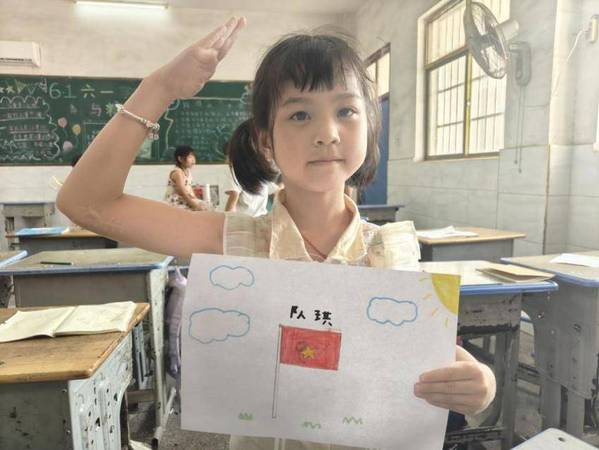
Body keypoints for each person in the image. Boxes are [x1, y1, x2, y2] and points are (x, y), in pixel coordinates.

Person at [57, 17, 496, 450]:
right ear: (265, 141)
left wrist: (481, 384)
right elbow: (86, 202)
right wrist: (160, 87)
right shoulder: (232, 242)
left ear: (369, 125)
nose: (327, 133)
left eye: (346, 111)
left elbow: (435, 360)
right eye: (300, 114)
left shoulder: (391, 251)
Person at [224, 123, 280, 215]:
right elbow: (232, 202)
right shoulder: (237, 171)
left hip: (257, 218)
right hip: (247, 220)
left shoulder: (261, 171)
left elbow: (275, 190)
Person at [164, 144, 209, 211]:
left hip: (185, 200)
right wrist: (194, 205)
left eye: (194, 156)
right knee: (202, 208)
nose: (193, 160)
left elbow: (189, 189)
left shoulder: (188, 172)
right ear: (180, 159)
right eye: (190, 157)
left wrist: (195, 199)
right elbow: (182, 192)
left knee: (205, 205)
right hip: (175, 202)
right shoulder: (177, 172)